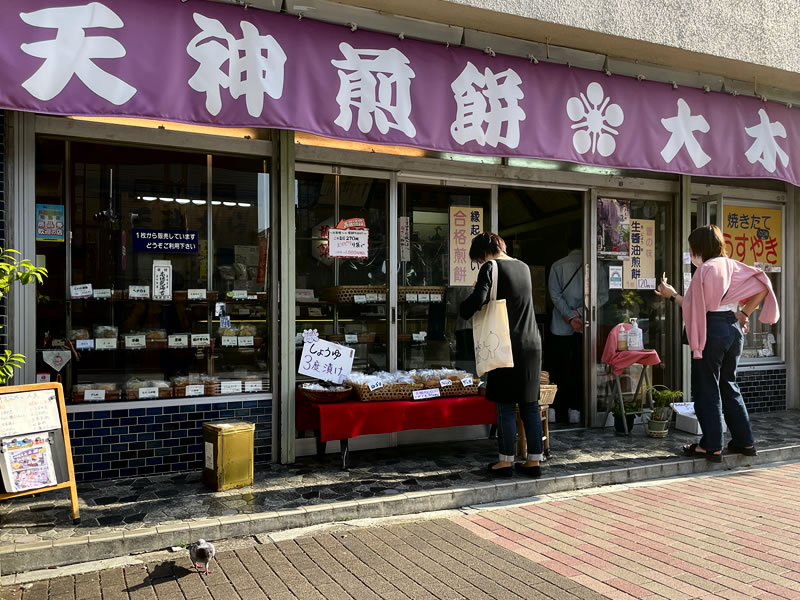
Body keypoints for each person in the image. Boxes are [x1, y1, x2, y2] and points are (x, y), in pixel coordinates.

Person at [655, 225, 779, 461]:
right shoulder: (732, 264)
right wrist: (744, 314)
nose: (690, 253)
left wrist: (672, 295)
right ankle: (745, 441)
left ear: (698, 248)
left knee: (707, 387)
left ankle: (711, 445)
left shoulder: (704, 270)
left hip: (712, 329)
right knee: (729, 385)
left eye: (691, 249)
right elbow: (764, 285)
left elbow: (695, 307)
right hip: (733, 328)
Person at [459, 232, 543, 478]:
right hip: (532, 343)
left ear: (483, 253)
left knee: (505, 404)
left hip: (504, 342)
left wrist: (464, 308)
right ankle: (534, 461)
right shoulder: (524, 267)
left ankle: (505, 462)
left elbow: (480, 299)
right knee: (529, 404)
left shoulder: (490, 267)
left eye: (478, 258)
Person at [547, 229, 584, 423]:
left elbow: (554, 295)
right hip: (584, 325)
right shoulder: (592, 266)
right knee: (579, 368)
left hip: (559, 327)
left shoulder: (557, 265)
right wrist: (578, 313)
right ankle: (575, 410)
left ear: (567, 246)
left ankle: (553, 409)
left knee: (558, 368)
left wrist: (569, 316)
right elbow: (601, 295)